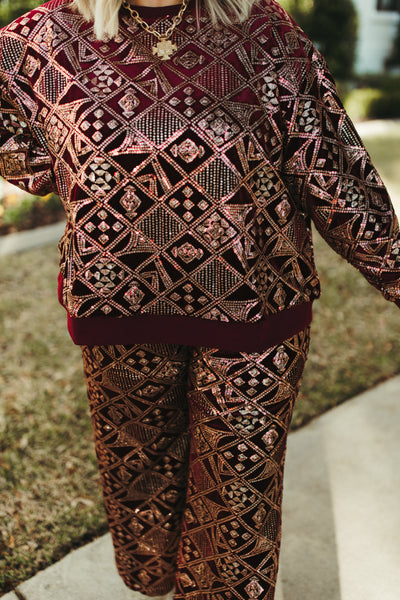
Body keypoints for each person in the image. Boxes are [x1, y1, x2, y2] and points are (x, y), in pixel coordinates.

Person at [0, 0, 399, 598]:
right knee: (143, 492)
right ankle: (156, 582)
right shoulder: (45, 37)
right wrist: (65, 165)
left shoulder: (262, 32)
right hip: (119, 307)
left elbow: (333, 167)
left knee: (237, 509)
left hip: (255, 309)